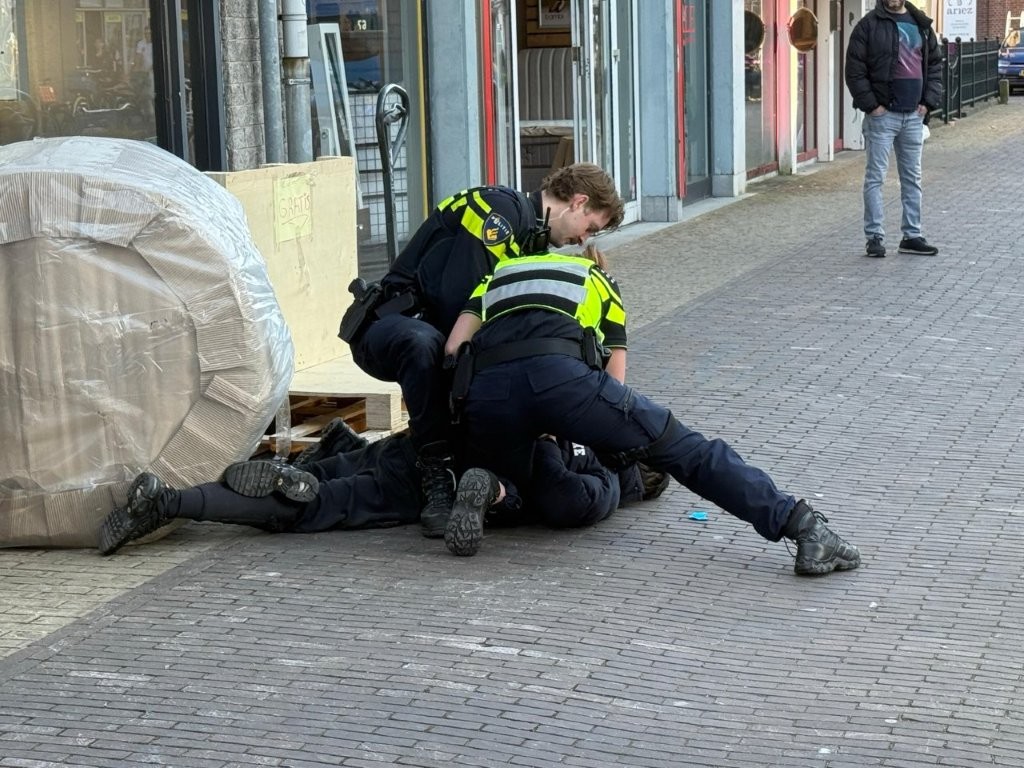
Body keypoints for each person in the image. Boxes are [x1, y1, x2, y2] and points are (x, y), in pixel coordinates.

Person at [442, 249, 862, 575]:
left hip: (488, 389)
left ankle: (491, 489)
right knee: (687, 450)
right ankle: (805, 528)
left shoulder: (499, 274)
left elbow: (453, 348)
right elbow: (616, 382)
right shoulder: (596, 277)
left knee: (512, 477)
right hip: (563, 380)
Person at [338, 163, 624, 540]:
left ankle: (340, 451)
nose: (582, 242)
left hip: (434, 335)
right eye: (590, 228)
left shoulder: (531, 239)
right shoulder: (499, 213)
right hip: (392, 328)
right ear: (579, 202)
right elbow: (457, 308)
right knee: (431, 347)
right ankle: (436, 475)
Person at [96, 419, 667, 556]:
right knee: (313, 505)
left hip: (427, 441)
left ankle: (325, 452)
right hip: (433, 487)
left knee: (330, 475)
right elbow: (566, 503)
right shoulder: (600, 476)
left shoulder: (580, 406)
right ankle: (169, 503)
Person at [845, 0, 942, 259]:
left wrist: (927, 102)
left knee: (912, 179)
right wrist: (872, 106)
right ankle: (874, 236)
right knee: (875, 178)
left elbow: (934, 65)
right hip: (882, 117)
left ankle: (911, 236)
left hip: (913, 116)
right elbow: (854, 70)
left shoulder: (921, 24)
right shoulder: (867, 26)